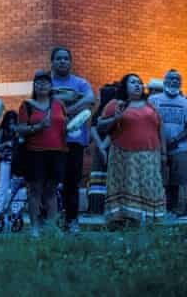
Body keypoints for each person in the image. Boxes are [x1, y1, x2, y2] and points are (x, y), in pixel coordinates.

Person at [99, 73, 166, 227]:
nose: (137, 85)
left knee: (150, 185)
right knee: (127, 186)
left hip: (150, 155)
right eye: (133, 82)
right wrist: (116, 118)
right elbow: (101, 126)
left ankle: (150, 220)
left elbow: (160, 129)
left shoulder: (150, 105)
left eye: (139, 82)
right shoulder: (116, 104)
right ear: (125, 86)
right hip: (124, 156)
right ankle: (124, 220)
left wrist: (163, 153)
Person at [48, 46, 95, 233]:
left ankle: (72, 221)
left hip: (75, 141)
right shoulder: (46, 82)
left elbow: (91, 99)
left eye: (66, 58)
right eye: (58, 58)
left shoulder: (81, 83)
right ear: (52, 62)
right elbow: (41, 103)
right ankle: (51, 221)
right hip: (50, 141)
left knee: (71, 183)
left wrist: (66, 110)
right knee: (50, 182)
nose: (62, 61)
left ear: (70, 62)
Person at [18, 70, 68, 236]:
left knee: (52, 190)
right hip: (35, 153)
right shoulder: (27, 105)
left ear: (51, 86)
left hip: (58, 151)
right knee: (35, 190)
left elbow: (64, 125)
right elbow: (20, 129)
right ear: (34, 85)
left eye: (46, 82)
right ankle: (34, 228)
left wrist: (70, 128)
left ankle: (52, 226)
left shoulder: (59, 104)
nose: (42, 85)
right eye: (38, 82)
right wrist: (38, 127)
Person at [148, 70, 187, 218]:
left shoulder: (185, 102)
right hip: (157, 147)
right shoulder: (153, 100)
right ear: (164, 82)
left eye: (177, 79)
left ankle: (179, 210)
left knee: (181, 180)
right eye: (171, 78)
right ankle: (159, 209)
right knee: (159, 179)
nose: (174, 81)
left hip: (180, 147)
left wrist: (177, 139)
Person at [87, 83, 118, 215]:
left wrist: (101, 147)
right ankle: (100, 207)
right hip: (104, 148)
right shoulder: (101, 111)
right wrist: (102, 147)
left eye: (101, 94)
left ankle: (98, 208)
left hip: (108, 148)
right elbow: (93, 129)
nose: (98, 97)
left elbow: (112, 129)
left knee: (101, 179)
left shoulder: (109, 112)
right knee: (101, 179)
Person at [0, 110, 20, 224]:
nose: (11, 123)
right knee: (3, 186)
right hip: (6, 161)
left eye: (14, 121)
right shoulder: (0, 131)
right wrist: (6, 144)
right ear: (6, 121)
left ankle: (15, 211)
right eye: (10, 121)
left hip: (17, 161)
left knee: (16, 187)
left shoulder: (18, 130)